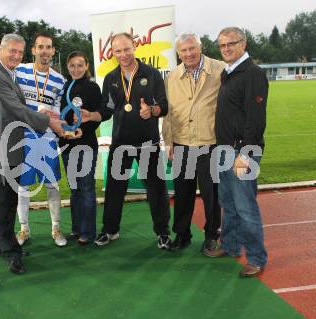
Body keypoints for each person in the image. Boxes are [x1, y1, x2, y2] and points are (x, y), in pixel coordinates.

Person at [80, 33, 172, 250]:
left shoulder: (152, 74)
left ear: (135, 47)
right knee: (114, 190)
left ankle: (163, 233)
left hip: (147, 143)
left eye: (126, 49)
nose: (123, 55)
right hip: (120, 143)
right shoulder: (111, 78)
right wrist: (91, 116)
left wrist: (153, 110)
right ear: (113, 52)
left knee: (156, 190)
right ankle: (110, 230)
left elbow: (164, 106)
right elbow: (107, 109)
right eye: (118, 51)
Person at [0, 34, 65, 275]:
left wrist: (51, 119)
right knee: (5, 202)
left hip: (10, 145)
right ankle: (12, 251)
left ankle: (3, 245)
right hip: (0, 149)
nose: (15, 56)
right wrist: (49, 121)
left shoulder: (9, 72)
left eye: (18, 52)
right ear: (0, 49)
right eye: (12, 51)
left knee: (6, 201)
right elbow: (16, 108)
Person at [204, 27, 269, 278]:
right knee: (228, 204)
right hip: (224, 149)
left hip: (242, 151)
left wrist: (245, 151)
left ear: (244, 43)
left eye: (232, 43)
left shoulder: (252, 73)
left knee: (245, 207)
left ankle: (256, 258)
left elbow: (256, 117)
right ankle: (230, 246)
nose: (227, 48)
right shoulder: (228, 73)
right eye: (222, 45)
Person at [162, 33, 225, 253]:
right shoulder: (171, 77)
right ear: (178, 53)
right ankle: (182, 234)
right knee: (182, 194)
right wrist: (168, 141)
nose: (188, 54)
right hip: (181, 144)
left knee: (212, 195)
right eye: (183, 50)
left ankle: (212, 236)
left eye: (192, 48)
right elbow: (168, 113)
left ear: (201, 47)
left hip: (210, 143)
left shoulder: (220, 70)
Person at [14, 33, 67, 247]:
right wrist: (38, 110)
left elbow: (55, 109)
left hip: (46, 137)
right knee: (22, 187)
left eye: (49, 47)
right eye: (40, 47)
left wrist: (58, 125)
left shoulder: (59, 79)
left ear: (53, 51)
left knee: (52, 185)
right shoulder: (20, 71)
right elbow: (14, 102)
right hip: (24, 136)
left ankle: (56, 227)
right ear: (33, 50)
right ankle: (24, 229)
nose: (45, 51)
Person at [59, 51, 102, 245]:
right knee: (75, 188)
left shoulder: (93, 88)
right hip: (68, 145)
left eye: (80, 65)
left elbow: (97, 115)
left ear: (86, 66)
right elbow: (62, 115)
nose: (76, 69)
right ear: (67, 67)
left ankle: (88, 232)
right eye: (72, 66)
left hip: (85, 144)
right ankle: (77, 229)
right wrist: (65, 128)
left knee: (86, 188)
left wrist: (83, 129)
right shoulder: (65, 87)